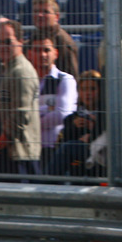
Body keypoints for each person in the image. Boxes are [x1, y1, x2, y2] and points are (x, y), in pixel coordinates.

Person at [0, 20, 41, 176]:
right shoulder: (8, 68)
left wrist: (1, 142)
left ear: (20, 41)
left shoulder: (21, 71)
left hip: (20, 152)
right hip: (12, 150)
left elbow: (21, 114)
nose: (2, 46)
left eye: (8, 41)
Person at [28, 33, 77, 171]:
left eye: (46, 50)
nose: (42, 54)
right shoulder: (24, 80)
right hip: (30, 148)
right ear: (29, 54)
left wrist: (31, 119)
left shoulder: (65, 80)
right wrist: (46, 109)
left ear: (55, 53)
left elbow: (62, 114)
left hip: (54, 148)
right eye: (37, 50)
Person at [46, 70, 104, 176]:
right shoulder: (72, 118)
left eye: (92, 89)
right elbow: (64, 140)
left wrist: (94, 128)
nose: (88, 93)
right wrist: (73, 126)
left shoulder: (105, 115)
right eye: (84, 89)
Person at [30, 0, 78, 78]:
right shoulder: (34, 37)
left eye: (45, 12)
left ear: (57, 16)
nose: (39, 15)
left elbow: (72, 77)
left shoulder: (63, 42)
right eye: (36, 11)